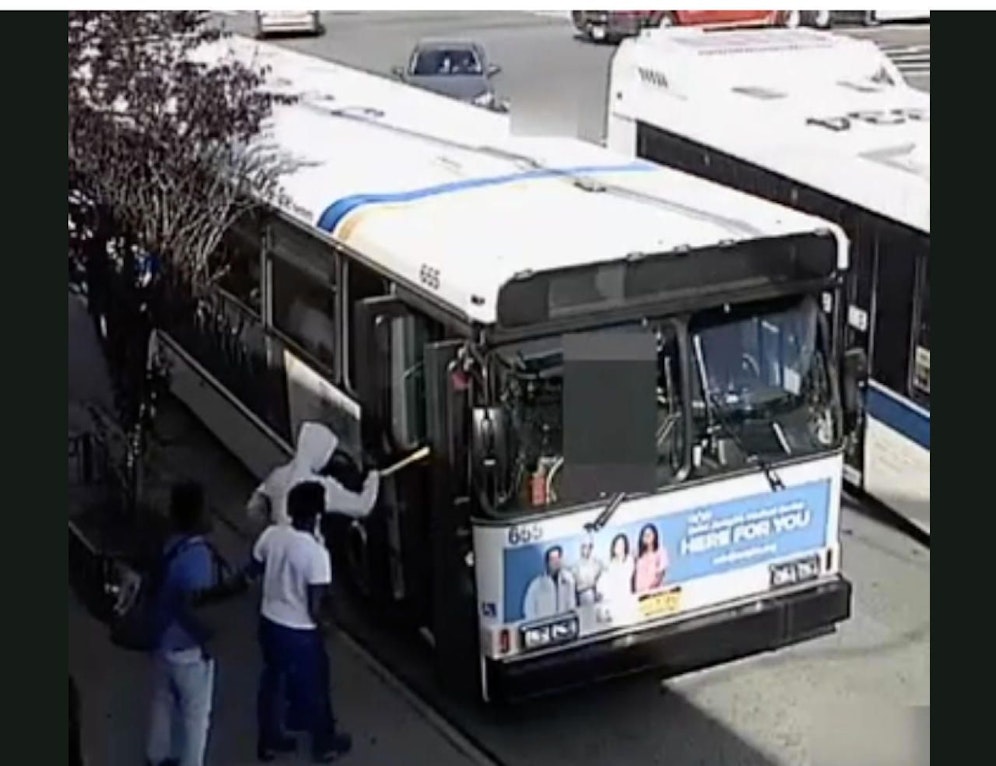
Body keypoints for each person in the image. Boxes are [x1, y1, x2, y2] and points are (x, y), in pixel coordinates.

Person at [251, 481, 351, 763]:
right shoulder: (316, 554)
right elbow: (315, 605)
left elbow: (253, 569)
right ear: (318, 514)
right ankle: (324, 744)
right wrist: (331, 628)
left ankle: (269, 740)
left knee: (271, 683)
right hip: (299, 632)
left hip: (269, 622)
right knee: (316, 688)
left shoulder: (272, 535)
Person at [146, 481, 218, 766]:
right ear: (198, 513)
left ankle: (156, 756)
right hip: (187, 650)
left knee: (161, 701)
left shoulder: (169, 543)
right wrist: (208, 641)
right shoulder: (197, 555)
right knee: (196, 718)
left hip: (160, 638)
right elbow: (194, 607)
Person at [246, 421, 379, 529]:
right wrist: (373, 475)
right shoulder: (318, 486)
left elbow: (255, 506)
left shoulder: (279, 474)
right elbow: (362, 506)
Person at [522, 545, 576, 621]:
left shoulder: (568, 579)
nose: (555, 562)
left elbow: (571, 604)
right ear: (547, 562)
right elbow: (529, 610)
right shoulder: (536, 585)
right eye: (552, 559)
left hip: (563, 627)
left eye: (557, 558)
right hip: (543, 628)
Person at [596, 533, 636, 604]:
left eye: (621, 545)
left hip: (624, 597)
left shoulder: (629, 560)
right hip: (611, 598)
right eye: (617, 545)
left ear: (625, 547)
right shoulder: (609, 563)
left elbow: (626, 576)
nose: (619, 547)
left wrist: (621, 558)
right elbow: (604, 580)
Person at [633, 523, 669, 594]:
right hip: (639, 591)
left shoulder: (661, 551)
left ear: (655, 535)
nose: (647, 537)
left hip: (654, 591)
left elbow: (661, 573)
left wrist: (651, 588)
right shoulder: (638, 553)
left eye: (649, 534)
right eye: (645, 535)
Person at [571, 536, 605, 607]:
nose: (587, 549)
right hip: (583, 597)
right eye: (584, 547)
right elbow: (576, 586)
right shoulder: (576, 565)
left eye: (589, 547)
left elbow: (601, 578)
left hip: (596, 597)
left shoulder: (597, 563)